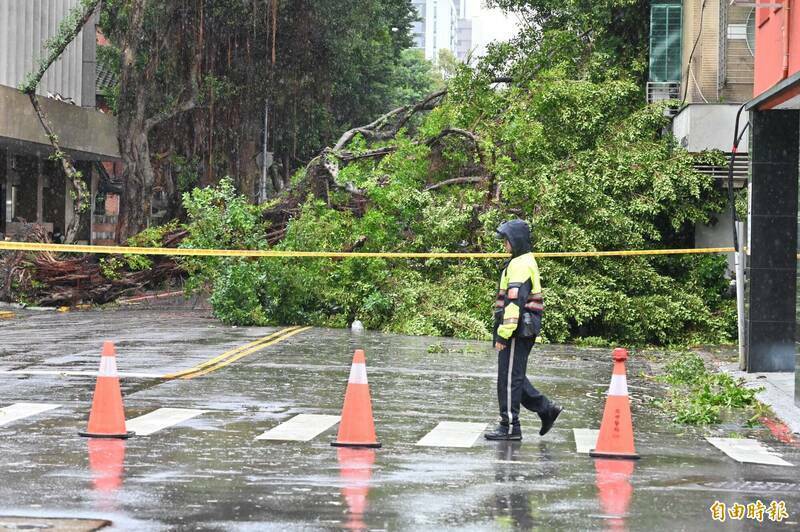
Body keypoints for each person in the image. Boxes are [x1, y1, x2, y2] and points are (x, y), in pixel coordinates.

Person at [485, 219, 562, 441]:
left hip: (517, 330)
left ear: (515, 241)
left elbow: (514, 303)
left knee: (509, 379)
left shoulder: (520, 265)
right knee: (512, 376)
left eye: (506, 241)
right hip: (520, 329)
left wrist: (503, 333)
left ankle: (509, 426)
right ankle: (546, 409)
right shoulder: (520, 261)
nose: (504, 245)